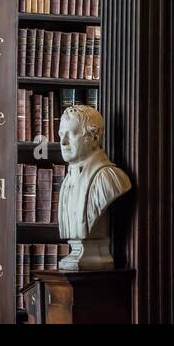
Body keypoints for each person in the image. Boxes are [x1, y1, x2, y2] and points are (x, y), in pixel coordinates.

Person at [56, 104, 131, 269]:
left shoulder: (110, 179)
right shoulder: (67, 182)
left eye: (72, 134)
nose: (63, 142)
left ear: (94, 137)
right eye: (61, 134)